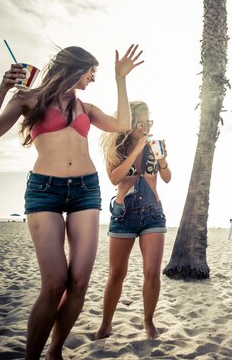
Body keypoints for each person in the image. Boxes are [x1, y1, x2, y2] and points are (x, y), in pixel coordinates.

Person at [0, 44, 143, 359]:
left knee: (80, 281)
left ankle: (54, 351)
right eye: (91, 73)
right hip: (45, 190)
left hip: (85, 189)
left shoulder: (86, 108)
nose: (92, 80)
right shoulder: (27, 100)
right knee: (55, 283)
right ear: (75, 68)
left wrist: (120, 78)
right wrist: (2, 90)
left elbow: (123, 123)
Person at [94, 101, 171, 340]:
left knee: (152, 271)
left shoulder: (155, 145)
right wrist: (136, 149)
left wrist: (163, 160)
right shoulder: (116, 148)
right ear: (128, 123)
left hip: (152, 213)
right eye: (141, 122)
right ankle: (106, 324)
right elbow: (115, 178)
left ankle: (148, 322)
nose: (146, 126)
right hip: (123, 213)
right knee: (117, 273)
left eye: (149, 122)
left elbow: (167, 178)